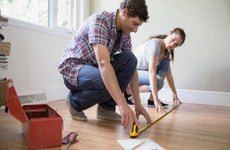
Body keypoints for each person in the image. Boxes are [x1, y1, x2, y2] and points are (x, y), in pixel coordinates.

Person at [58, 0, 151, 129]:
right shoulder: (100, 20)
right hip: (74, 69)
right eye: (134, 24)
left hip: (94, 69)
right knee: (107, 80)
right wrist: (122, 104)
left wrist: (138, 103)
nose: (135, 30)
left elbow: (132, 69)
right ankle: (74, 102)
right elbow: (103, 64)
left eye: (138, 26)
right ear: (124, 12)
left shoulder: (125, 34)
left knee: (131, 59)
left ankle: (106, 109)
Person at [125, 28, 186, 112]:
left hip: (140, 72)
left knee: (165, 63)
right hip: (130, 71)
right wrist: (157, 100)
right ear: (170, 33)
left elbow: (169, 75)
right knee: (159, 82)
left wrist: (175, 93)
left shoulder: (166, 52)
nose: (172, 44)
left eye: (176, 45)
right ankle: (128, 91)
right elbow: (152, 72)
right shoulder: (155, 44)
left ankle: (151, 100)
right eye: (173, 39)